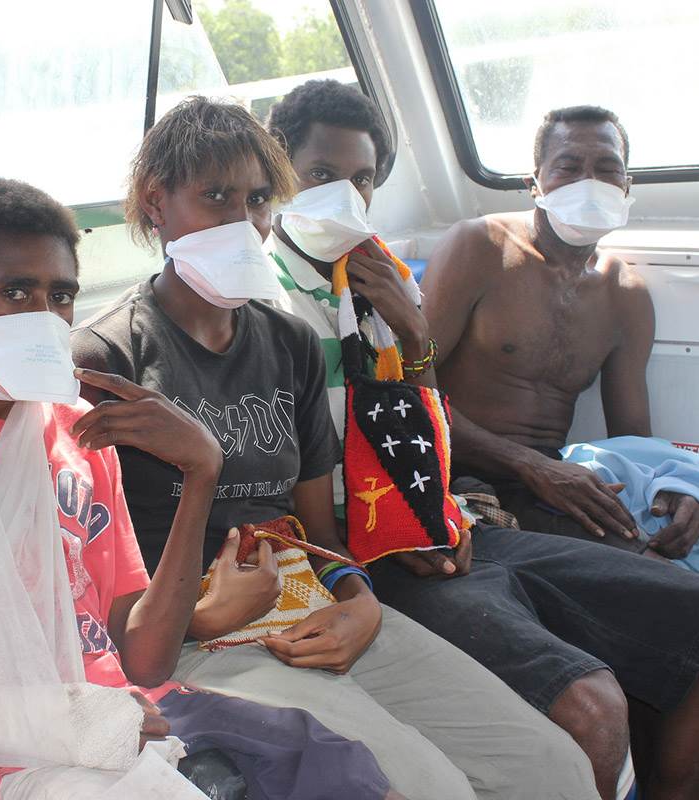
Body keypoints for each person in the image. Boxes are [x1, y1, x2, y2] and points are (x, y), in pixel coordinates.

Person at [73, 94, 599, 800]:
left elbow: (322, 532)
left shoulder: (287, 341)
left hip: (311, 601)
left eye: (258, 199)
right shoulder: (110, 358)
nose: (243, 219)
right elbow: (89, 580)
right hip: (194, 636)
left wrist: (360, 600)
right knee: (431, 788)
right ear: (156, 203)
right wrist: (202, 615)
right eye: (216, 196)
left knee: (550, 765)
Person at [0, 178, 398, 800]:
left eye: (59, 295)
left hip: (129, 710)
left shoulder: (80, 434)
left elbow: (143, 659)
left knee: (338, 766)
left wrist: (202, 469)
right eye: (14, 292)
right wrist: (69, 721)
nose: (42, 314)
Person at [264, 80, 699, 800]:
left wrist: (410, 331)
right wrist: (414, 520)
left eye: (363, 179)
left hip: (443, 516)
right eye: (321, 176)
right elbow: (316, 469)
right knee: (593, 707)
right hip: (400, 527)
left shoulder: (379, 279)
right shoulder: (265, 299)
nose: (346, 195)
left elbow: (414, 415)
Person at [422, 105, 699, 559]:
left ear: (626, 187)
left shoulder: (624, 292)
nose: (589, 183)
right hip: (459, 469)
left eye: (607, 169)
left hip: (557, 474)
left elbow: (633, 438)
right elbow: (407, 391)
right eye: (569, 167)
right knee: (642, 570)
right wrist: (529, 465)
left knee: (664, 549)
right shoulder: (480, 246)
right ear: (535, 184)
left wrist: (675, 486)